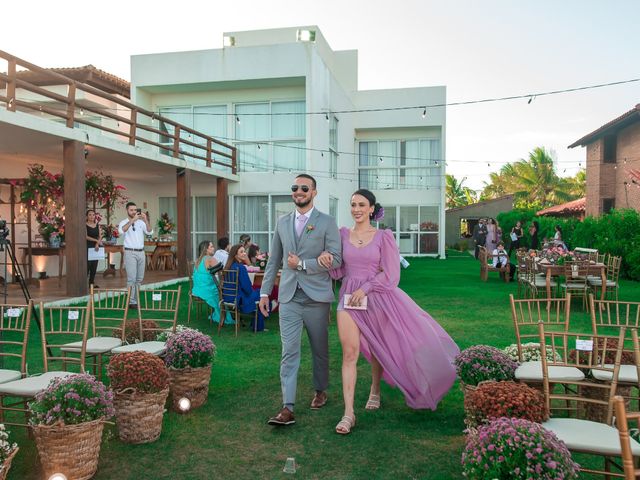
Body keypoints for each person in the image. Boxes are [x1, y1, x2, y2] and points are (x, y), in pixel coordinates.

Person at [327, 189, 459, 434]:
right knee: (349, 353)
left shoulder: (383, 237)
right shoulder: (342, 235)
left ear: (371, 208)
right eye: (353, 204)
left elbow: (391, 275)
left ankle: (375, 389)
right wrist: (327, 264)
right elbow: (338, 271)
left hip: (375, 297)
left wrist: (366, 288)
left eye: (361, 204)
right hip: (348, 298)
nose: (356, 209)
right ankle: (348, 413)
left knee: (378, 345)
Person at [259, 173, 342, 427]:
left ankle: (320, 390)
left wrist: (304, 265)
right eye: (295, 187)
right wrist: (264, 292)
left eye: (304, 188)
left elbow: (336, 260)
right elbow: (274, 261)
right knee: (289, 351)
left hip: (317, 298)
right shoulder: (282, 222)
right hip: (289, 298)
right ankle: (288, 407)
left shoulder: (327, 223)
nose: (298, 191)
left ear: (314, 192)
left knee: (319, 349)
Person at [222, 244, 266, 331]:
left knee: (259, 293)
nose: (244, 253)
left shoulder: (228, 267)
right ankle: (258, 327)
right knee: (262, 296)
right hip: (238, 299)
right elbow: (248, 289)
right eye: (241, 252)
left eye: (244, 251)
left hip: (227, 297)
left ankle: (255, 323)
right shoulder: (241, 268)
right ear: (235, 255)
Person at [118, 202, 153, 309]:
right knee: (131, 279)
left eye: (135, 210)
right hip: (130, 252)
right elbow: (121, 231)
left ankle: (136, 300)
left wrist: (146, 220)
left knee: (139, 279)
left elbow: (149, 232)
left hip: (141, 252)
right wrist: (132, 221)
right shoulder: (123, 222)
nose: (134, 212)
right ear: (127, 210)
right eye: (131, 210)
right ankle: (131, 301)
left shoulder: (141, 222)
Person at [192, 240, 229, 324]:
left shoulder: (198, 260)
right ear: (206, 250)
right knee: (222, 292)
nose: (214, 248)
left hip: (196, 289)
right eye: (211, 247)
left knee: (218, 286)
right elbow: (222, 270)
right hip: (206, 290)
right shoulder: (210, 259)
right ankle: (223, 315)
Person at [86, 209, 102, 288]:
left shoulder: (97, 225)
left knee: (94, 265)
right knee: (87, 265)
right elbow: (86, 236)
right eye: (90, 215)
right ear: (87, 216)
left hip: (96, 247)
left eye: (93, 214)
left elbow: (100, 236)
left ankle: (91, 283)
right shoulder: (85, 225)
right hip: (88, 246)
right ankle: (84, 283)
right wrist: (96, 241)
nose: (92, 216)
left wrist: (97, 243)